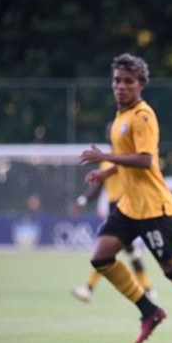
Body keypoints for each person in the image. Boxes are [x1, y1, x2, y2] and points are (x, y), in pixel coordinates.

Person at [79, 53, 172, 343]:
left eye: (128, 82)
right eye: (117, 81)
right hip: (129, 205)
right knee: (101, 257)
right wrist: (106, 171)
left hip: (153, 206)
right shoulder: (120, 117)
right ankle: (150, 311)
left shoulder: (143, 116)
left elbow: (146, 160)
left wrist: (105, 156)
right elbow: (127, 159)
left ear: (141, 84)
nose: (121, 86)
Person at [71, 123, 154, 303]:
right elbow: (98, 185)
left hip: (128, 205)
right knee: (129, 253)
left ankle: (89, 289)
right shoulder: (106, 159)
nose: (111, 134)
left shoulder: (128, 156)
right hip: (114, 207)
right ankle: (148, 289)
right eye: (109, 132)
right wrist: (82, 200)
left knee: (107, 251)